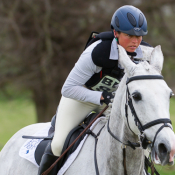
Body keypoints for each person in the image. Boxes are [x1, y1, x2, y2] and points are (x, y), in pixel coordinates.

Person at [38, 5, 151, 175]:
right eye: (129, 36)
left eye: (139, 36)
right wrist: (100, 97)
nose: (136, 42)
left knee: (143, 144)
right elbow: (68, 88)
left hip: (113, 104)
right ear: (116, 33)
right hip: (80, 97)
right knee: (58, 144)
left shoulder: (145, 55)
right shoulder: (97, 52)